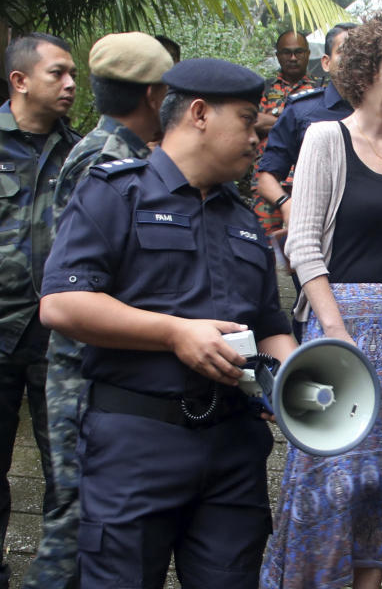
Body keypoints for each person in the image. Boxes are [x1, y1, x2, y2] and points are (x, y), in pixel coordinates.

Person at [39, 58, 298, 589]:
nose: (257, 139)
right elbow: (62, 304)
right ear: (199, 114)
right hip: (136, 442)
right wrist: (175, 332)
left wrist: (294, 374)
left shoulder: (245, 221)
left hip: (233, 446)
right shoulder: (115, 192)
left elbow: (271, 323)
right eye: (248, 121)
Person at [260, 12, 382, 589]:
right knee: (328, 481)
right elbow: (304, 243)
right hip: (341, 338)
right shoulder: (325, 137)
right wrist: (334, 329)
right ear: (364, 73)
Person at [21, 32, 173, 589]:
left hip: (90, 363)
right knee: (77, 512)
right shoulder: (107, 159)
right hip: (81, 366)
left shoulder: (108, 149)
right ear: (156, 94)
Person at [0, 32, 80, 589]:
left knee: (68, 475)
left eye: (74, 73)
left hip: (60, 342)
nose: (72, 84)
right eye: (58, 73)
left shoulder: (80, 154)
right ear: (20, 80)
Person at [254, 22, 357, 237]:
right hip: (311, 222)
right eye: (345, 51)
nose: (353, 59)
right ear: (326, 62)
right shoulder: (302, 109)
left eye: (362, 52)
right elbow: (265, 177)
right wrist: (286, 204)